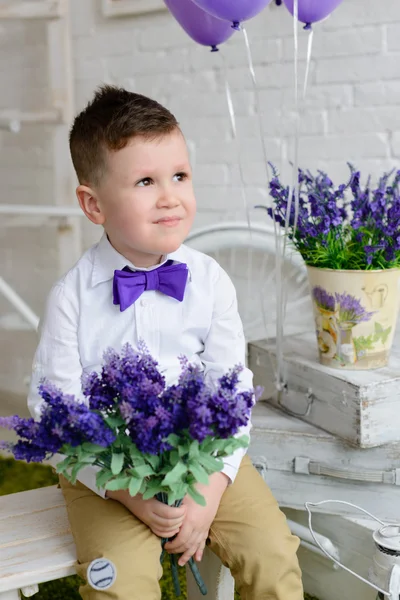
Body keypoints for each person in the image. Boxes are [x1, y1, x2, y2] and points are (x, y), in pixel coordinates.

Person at [27, 85, 303, 600]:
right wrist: (126, 494)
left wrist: (211, 489)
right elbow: (54, 412)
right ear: (93, 204)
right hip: (108, 470)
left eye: (179, 175)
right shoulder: (71, 298)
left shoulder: (211, 281)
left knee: (273, 557)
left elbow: (231, 389)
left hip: (202, 453)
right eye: (145, 181)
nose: (170, 196)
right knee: (120, 583)